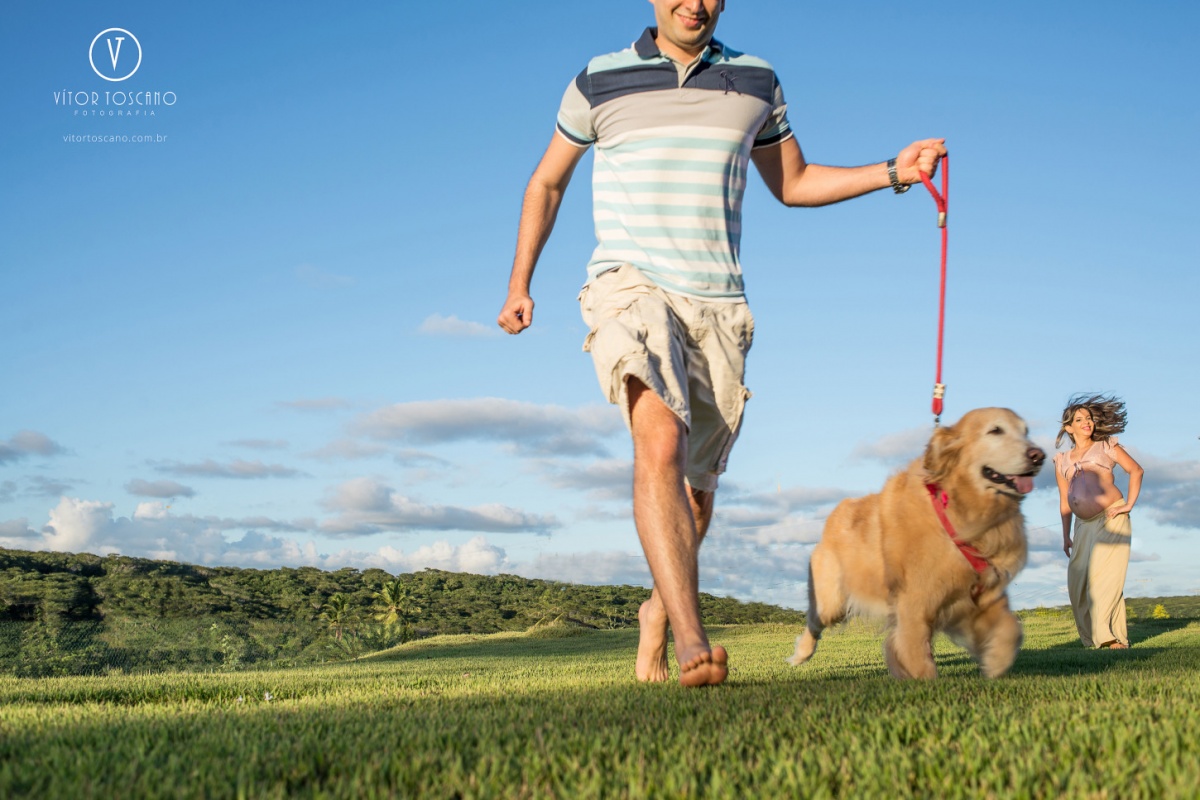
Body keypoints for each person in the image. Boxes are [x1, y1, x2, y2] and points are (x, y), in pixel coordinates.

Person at [498, 0, 946, 687]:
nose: (694, 4)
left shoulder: (757, 80)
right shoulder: (598, 78)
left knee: (698, 489)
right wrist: (519, 282)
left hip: (718, 305)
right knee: (659, 440)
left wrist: (893, 170)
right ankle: (691, 640)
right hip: (628, 286)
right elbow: (547, 180)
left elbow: (793, 184)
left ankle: (657, 610)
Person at [1054, 394, 1144, 649]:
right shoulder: (1062, 460)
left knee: (1106, 579)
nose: (1087, 422)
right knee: (1077, 581)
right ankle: (1091, 639)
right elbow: (1064, 501)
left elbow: (1136, 471)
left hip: (1111, 517)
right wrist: (1065, 535)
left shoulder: (1107, 446)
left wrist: (1128, 505)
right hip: (1082, 525)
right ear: (1068, 428)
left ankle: (1110, 638)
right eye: (1079, 419)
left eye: (1089, 418)